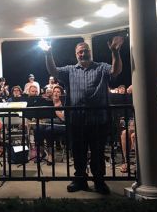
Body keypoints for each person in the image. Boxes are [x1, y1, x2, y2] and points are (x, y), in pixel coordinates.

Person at [45, 37, 123, 194]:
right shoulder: (70, 70)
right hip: (76, 119)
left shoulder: (101, 67)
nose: (82, 53)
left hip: (98, 119)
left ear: (90, 52)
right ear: (76, 55)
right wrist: (48, 54)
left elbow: (116, 70)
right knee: (78, 152)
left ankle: (99, 181)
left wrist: (115, 52)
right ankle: (80, 180)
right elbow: (53, 71)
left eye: (85, 51)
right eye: (79, 52)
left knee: (97, 152)